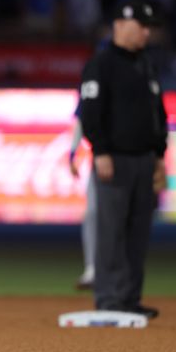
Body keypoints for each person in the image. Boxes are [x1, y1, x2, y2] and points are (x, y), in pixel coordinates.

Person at [79, 0, 167, 320]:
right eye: (140, 25)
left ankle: (130, 298)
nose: (146, 32)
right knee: (111, 230)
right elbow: (90, 113)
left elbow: (158, 113)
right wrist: (99, 150)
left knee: (137, 232)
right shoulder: (100, 64)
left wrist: (159, 154)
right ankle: (108, 298)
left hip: (144, 160)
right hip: (113, 159)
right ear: (119, 25)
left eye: (148, 27)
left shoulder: (146, 64)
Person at [68, 102, 96, 290]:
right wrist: (72, 152)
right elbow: (81, 118)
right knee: (92, 214)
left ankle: (123, 273)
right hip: (102, 157)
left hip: (133, 156)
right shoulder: (95, 77)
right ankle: (92, 269)